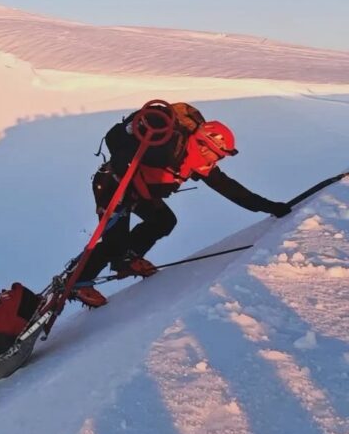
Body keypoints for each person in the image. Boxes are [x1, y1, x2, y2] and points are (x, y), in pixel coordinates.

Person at [73, 103, 292, 308]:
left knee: (163, 221)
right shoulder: (166, 146)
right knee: (115, 242)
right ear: (205, 145)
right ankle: (79, 281)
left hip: (138, 192)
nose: (216, 162)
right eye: (218, 155)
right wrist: (124, 160)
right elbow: (118, 145)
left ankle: (128, 259)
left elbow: (232, 190)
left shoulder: (196, 161)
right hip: (113, 185)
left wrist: (269, 207)